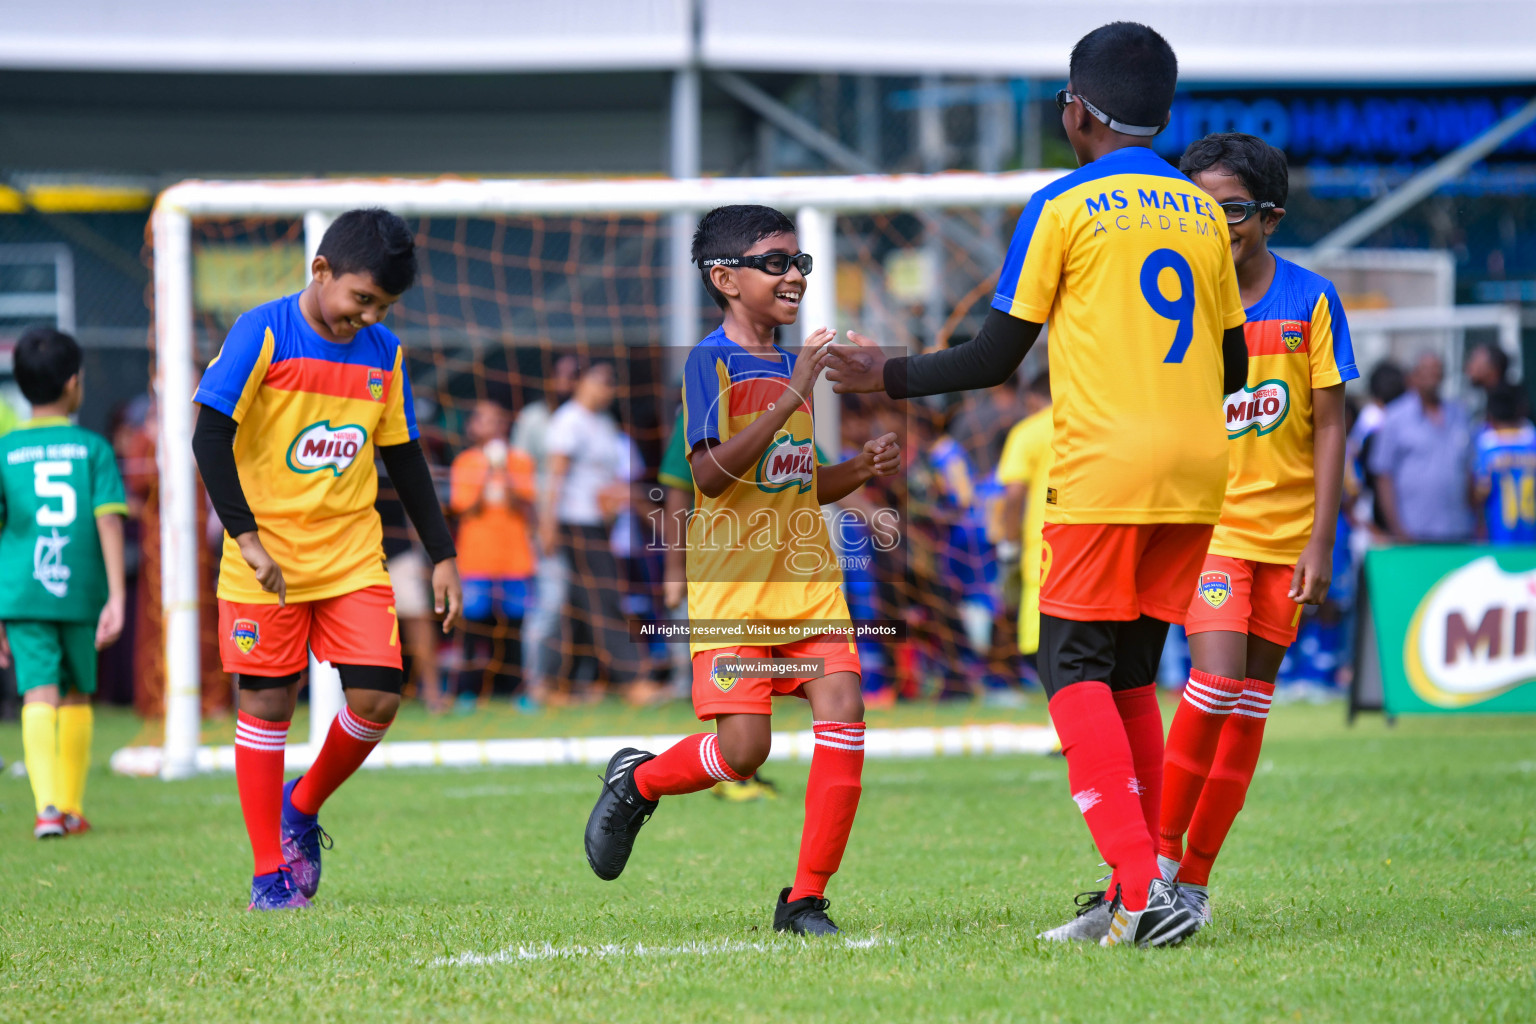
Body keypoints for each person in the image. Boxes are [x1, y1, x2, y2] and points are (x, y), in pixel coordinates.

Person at [823, 21, 1248, 948]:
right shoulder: (1205, 214)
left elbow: (991, 358)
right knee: (1131, 668)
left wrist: (881, 376)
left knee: (1068, 664)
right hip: (1198, 465)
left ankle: (1140, 895)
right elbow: (1234, 362)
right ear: (1162, 115)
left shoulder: (1064, 206)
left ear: (1078, 111)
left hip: (1106, 465)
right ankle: (1139, 880)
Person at [583, 204, 899, 935]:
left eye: (799, 263)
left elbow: (798, 480)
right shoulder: (710, 362)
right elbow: (712, 475)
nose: (793, 275)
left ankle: (805, 900)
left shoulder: (797, 365)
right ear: (724, 278)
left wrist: (859, 468)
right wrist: (797, 389)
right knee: (743, 752)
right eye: (776, 262)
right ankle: (641, 780)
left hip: (810, 587)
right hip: (735, 594)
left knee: (845, 710)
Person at [190, 208, 463, 911]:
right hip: (264, 567)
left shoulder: (385, 353)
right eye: (360, 299)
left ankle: (301, 807)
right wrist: (246, 538)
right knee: (267, 705)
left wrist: (442, 554)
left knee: (377, 697)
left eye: (382, 307)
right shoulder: (263, 331)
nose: (365, 316)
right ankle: (267, 877)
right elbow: (209, 440)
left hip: (351, 558)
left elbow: (402, 456)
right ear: (321, 271)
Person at [1154, 133, 1358, 925]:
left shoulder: (1310, 300)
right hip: (1210, 533)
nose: (1213, 220)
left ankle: (1193, 888)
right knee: (1209, 687)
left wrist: (1322, 541)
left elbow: (1333, 425)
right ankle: (1154, 869)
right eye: (1198, 204)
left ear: (1268, 217)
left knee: (1246, 709)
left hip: (1288, 539)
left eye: (1230, 208)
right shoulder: (1181, 303)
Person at [0, 327, 127, 838]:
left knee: (39, 693)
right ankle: (69, 808)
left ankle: (48, 807)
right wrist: (118, 594)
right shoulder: (91, 448)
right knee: (76, 694)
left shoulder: (6, 450)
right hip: (80, 592)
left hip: (23, 594)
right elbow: (110, 520)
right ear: (74, 383)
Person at [538, 361, 639, 701]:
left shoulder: (605, 424)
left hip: (599, 525)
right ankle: (633, 680)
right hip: (573, 523)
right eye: (601, 381)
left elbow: (608, 479)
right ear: (581, 383)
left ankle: (559, 683)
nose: (607, 389)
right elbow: (555, 477)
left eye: (612, 383)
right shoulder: (569, 421)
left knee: (577, 607)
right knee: (605, 599)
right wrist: (547, 525)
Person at [450, 400, 536, 705]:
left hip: (515, 559)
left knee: (514, 628)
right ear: (473, 427)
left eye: (499, 420)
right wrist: (488, 471)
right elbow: (464, 508)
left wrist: (504, 471)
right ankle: (468, 692)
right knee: (474, 627)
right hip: (476, 558)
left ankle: (516, 691)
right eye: (486, 420)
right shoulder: (465, 462)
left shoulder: (521, 461)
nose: (494, 426)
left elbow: (525, 506)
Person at [513, 353, 578, 700]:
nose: (569, 383)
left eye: (575, 376)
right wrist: (537, 524)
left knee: (568, 606)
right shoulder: (534, 419)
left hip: (582, 530)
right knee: (548, 604)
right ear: (550, 378)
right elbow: (519, 476)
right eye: (563, 374)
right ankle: (535, 683)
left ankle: (560, 683)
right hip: (542, 527)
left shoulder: (585, 419)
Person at [1369, 353, 1475, 542]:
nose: (1432, 377)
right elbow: (1383, 476)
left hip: (1457, 529)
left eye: (1437, 372)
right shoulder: (1395, 418)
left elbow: (1470, 471)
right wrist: (1396, 529)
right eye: (1426, 372)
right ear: (1414, 377)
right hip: (1414, 531)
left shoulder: (1459, 414)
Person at [996, 372, 1054, 664]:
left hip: (1044, 550)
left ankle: (1060, 707)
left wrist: (1009, 542)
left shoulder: (1028, 431)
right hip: (1095, 541)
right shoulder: (1092, 424)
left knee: (1041, 646)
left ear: (1032, 398)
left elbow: (1014, 494)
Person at [1473, 383, 1536, 545]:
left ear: (1490, 416)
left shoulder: (1486, 445)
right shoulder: (1532, 441)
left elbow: (1480, 492)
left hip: (1499, 537)